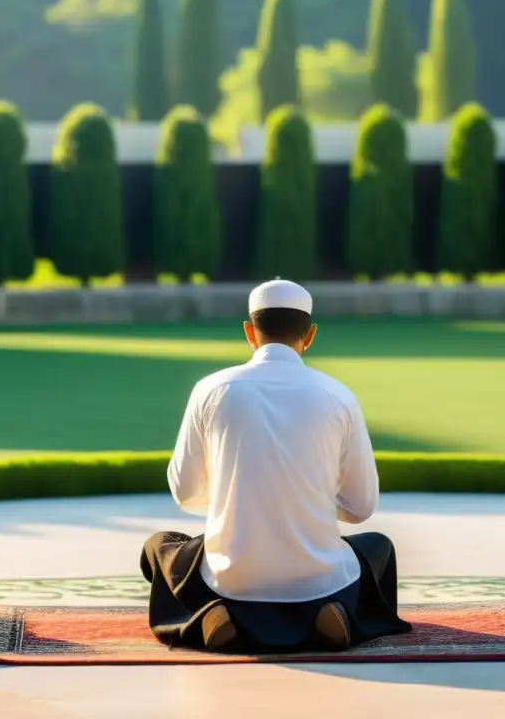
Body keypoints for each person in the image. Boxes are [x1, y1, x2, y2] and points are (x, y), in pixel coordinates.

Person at [140, 279, 412, 653]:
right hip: (320, 580)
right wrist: (307, 496)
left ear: (250, 332)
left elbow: (186, 493)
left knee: (160, 547)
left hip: (229, 580)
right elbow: (360, 507)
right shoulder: (339, 396)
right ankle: (333, 613)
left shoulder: (211, 389)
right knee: (377, 547)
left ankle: (209, 615)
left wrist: (235, 491)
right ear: (310, 335)